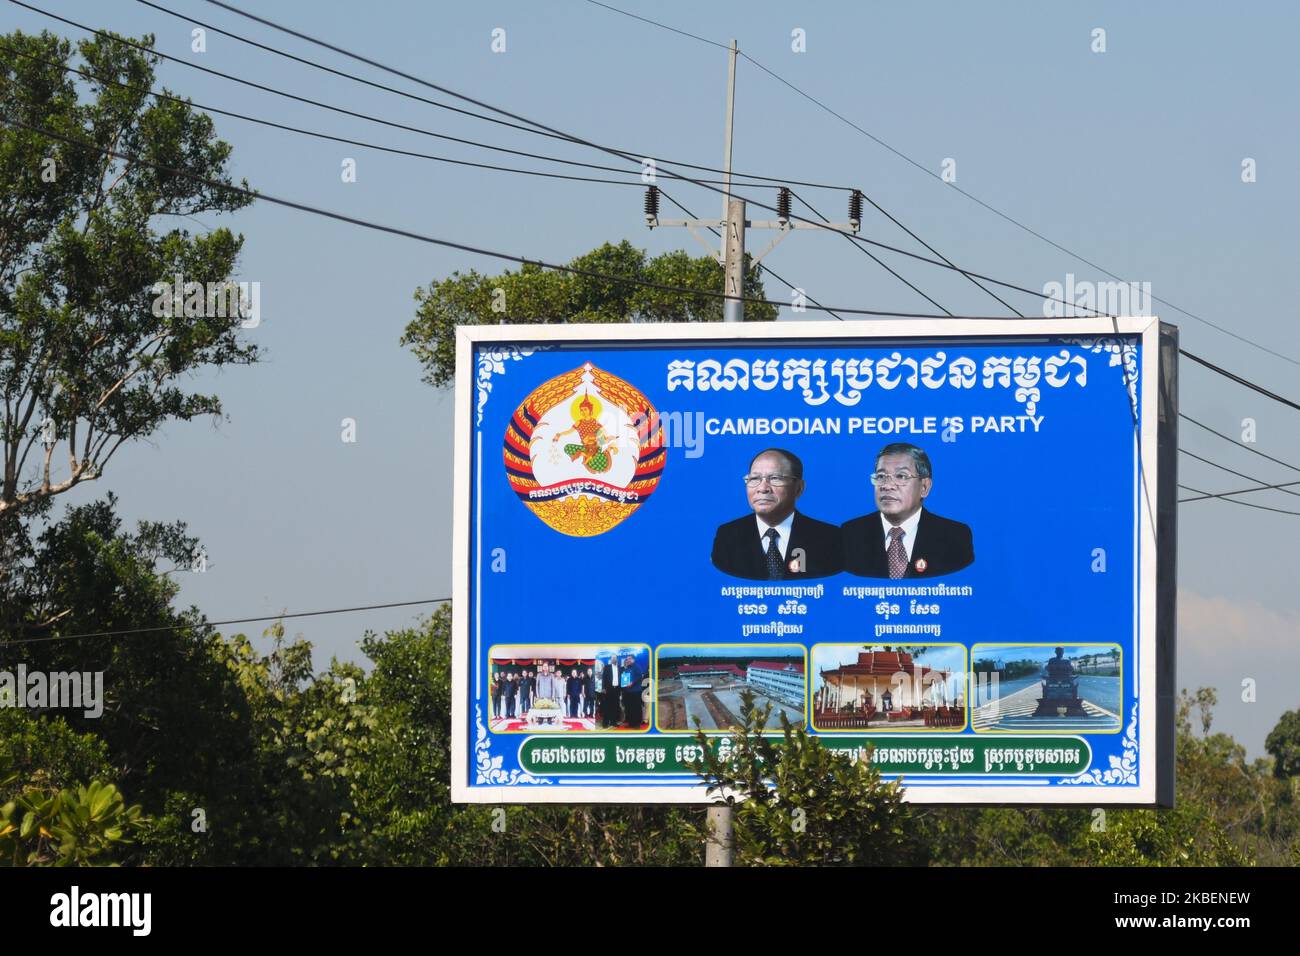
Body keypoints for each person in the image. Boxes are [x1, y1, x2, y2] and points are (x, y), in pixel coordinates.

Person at [841, 442, 974, 579]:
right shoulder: (849, 534)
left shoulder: (955, 537)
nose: (887, 486)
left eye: (901, 476)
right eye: (880, 476)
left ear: (924, 487)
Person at [711, 449, 843, 580]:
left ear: (799, 488)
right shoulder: (727, 536)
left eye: (775, 478)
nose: (762, 489)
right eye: (754, 478)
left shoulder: (829, 538)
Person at [619, 654, 644, 729]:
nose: (628, 660)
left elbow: (640, 676)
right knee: (629, 708)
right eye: (627, 659)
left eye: (629, 659)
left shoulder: (636, 666)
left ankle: (637, 724)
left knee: (636, 708)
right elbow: (624, 679)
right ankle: (631, 723)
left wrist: (632, 683)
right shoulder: (627, 668)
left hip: (635, 691)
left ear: (633, 659)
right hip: (627, 692)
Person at [600, 656, 621, 728]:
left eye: (615, 658)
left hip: (616, 689)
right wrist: (603, 688)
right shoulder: (607, 667)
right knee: (607, 706)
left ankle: (613, 722)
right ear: (611, 660)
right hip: (608, 689)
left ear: (617, 659)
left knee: (615, 707)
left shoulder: (619, 668)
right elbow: (603, 678)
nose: (614, 659)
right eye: (613, 658)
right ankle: (605, 723)